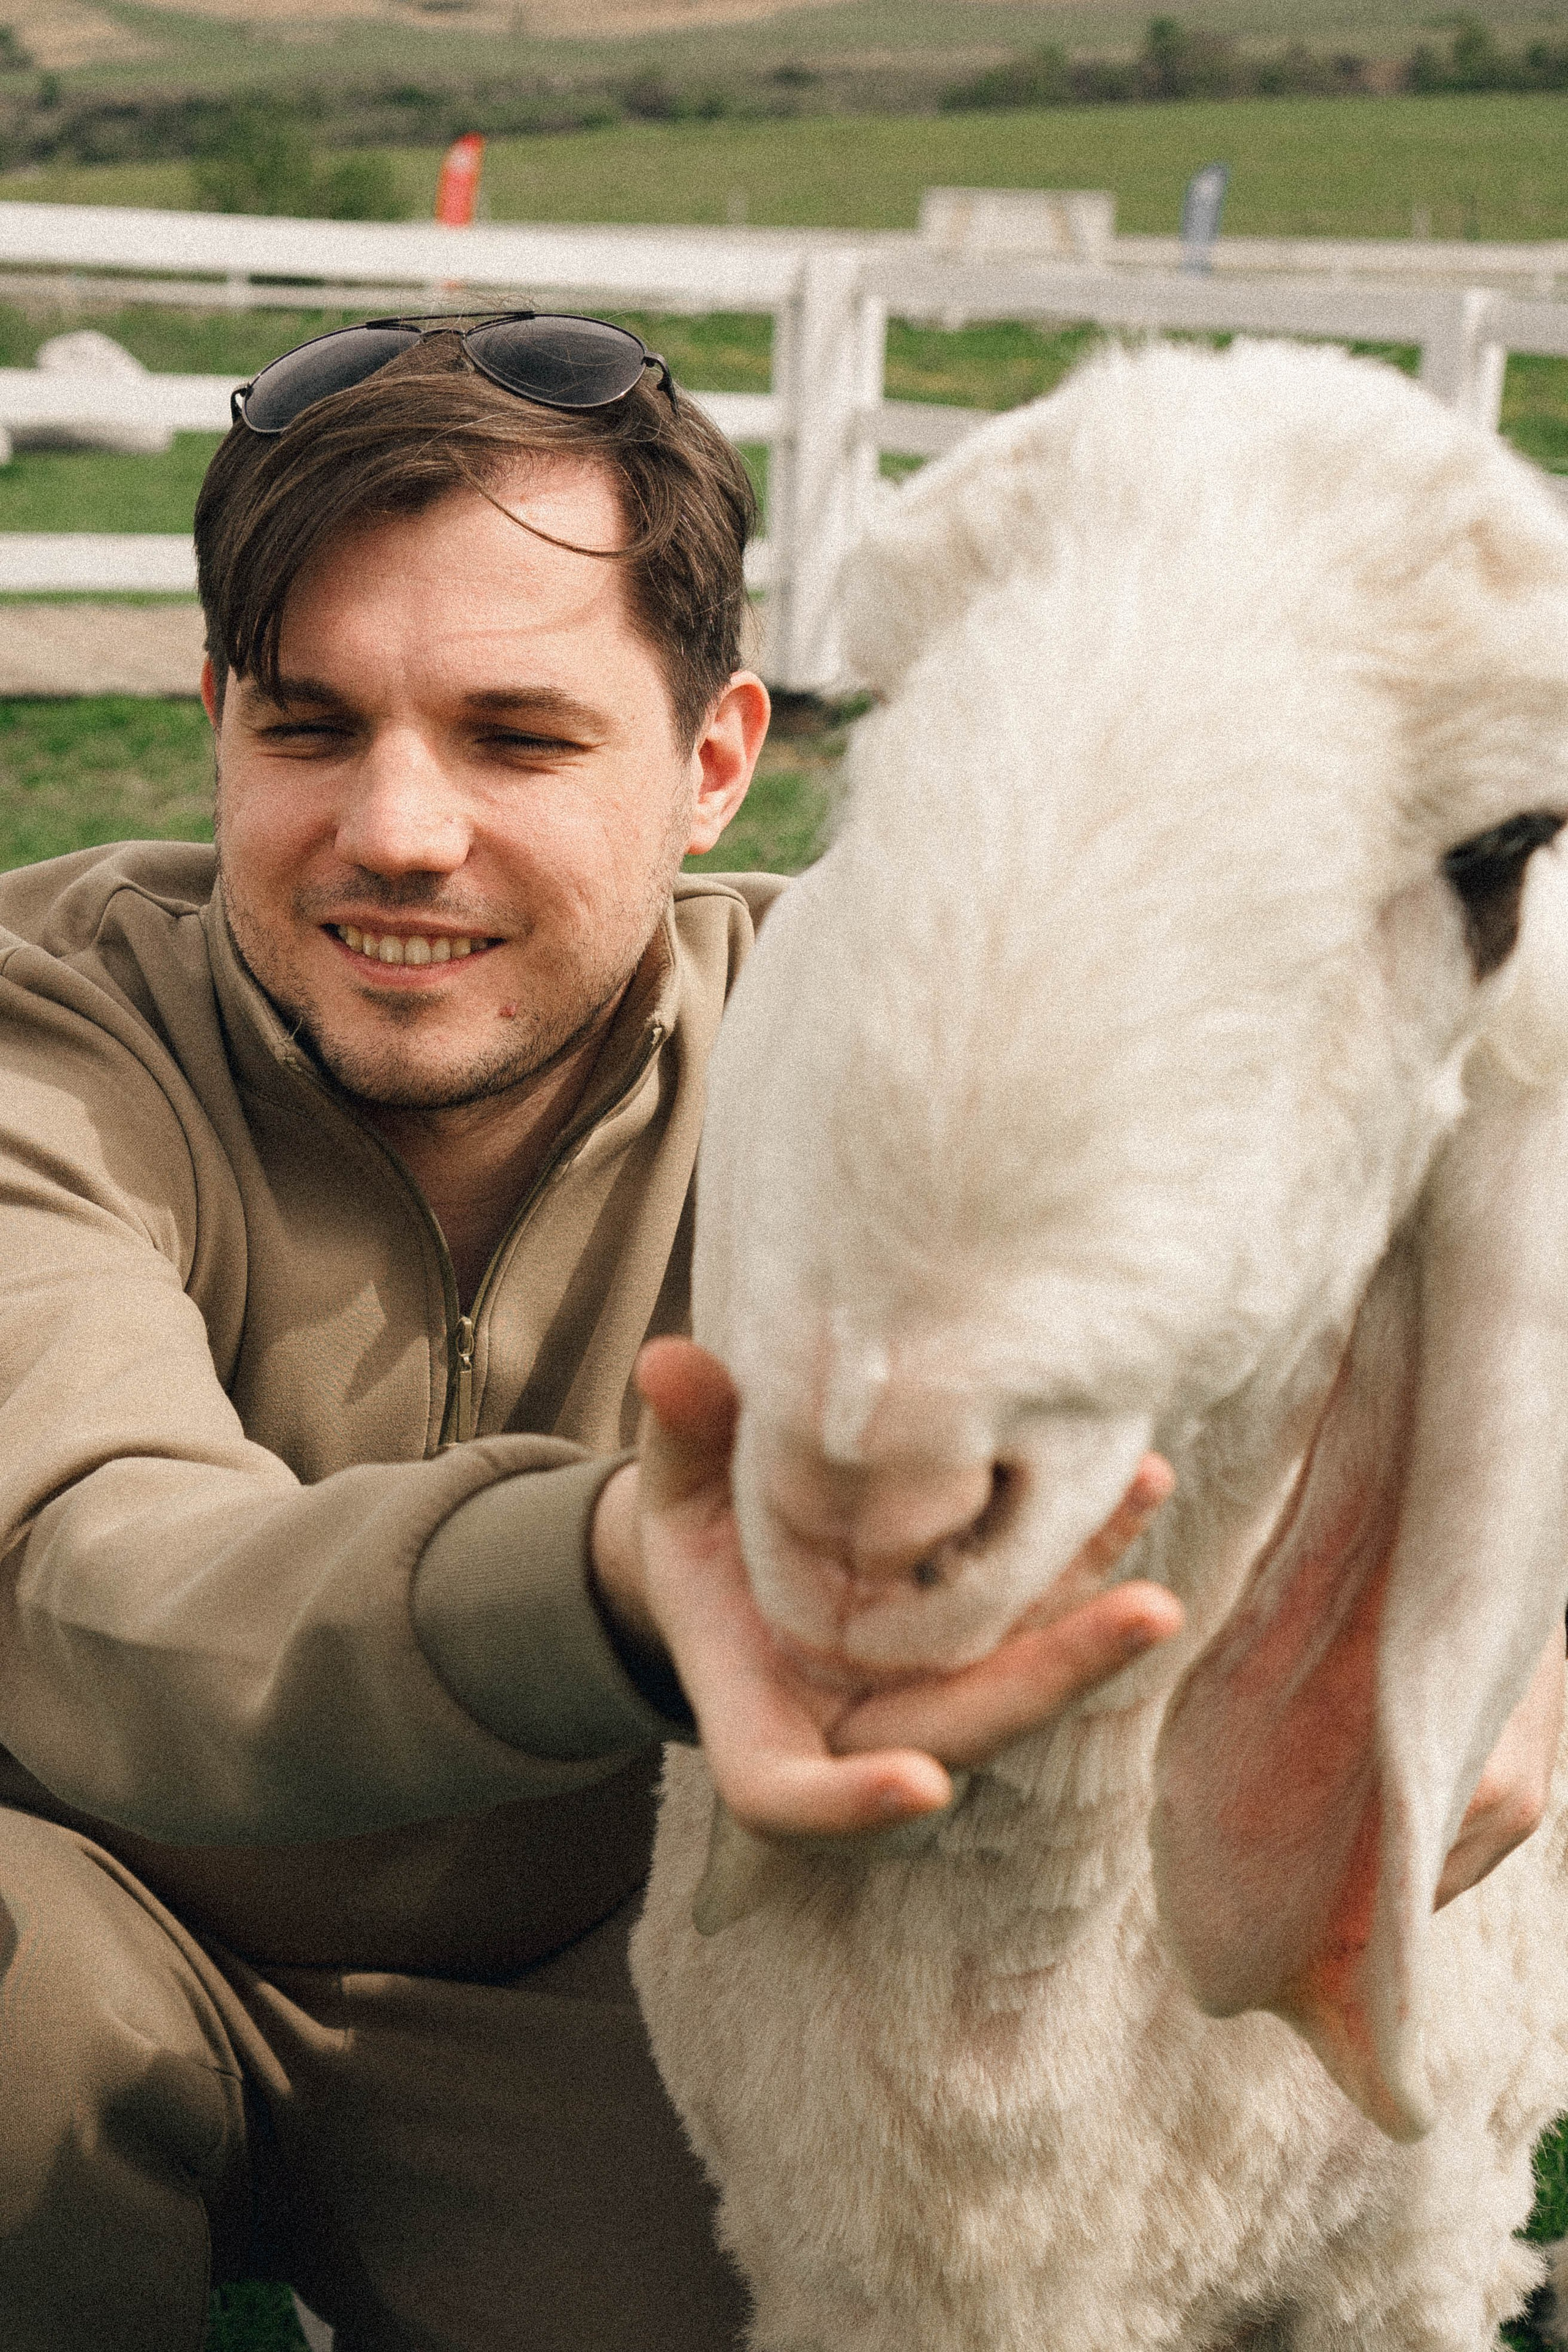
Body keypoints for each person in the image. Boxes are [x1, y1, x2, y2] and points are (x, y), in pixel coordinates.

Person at [0, 314, 1555, 2352]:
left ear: (717, 758)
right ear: (212, 718)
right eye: (308, 726)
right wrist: (633, 1577)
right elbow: (85, 1561)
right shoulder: (52, 1039)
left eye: (516, 737)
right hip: (109, 1913)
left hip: (590, 1987)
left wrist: (1533, 1614)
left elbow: (1375, 1230)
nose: (397, 827)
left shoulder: (890, 1079)